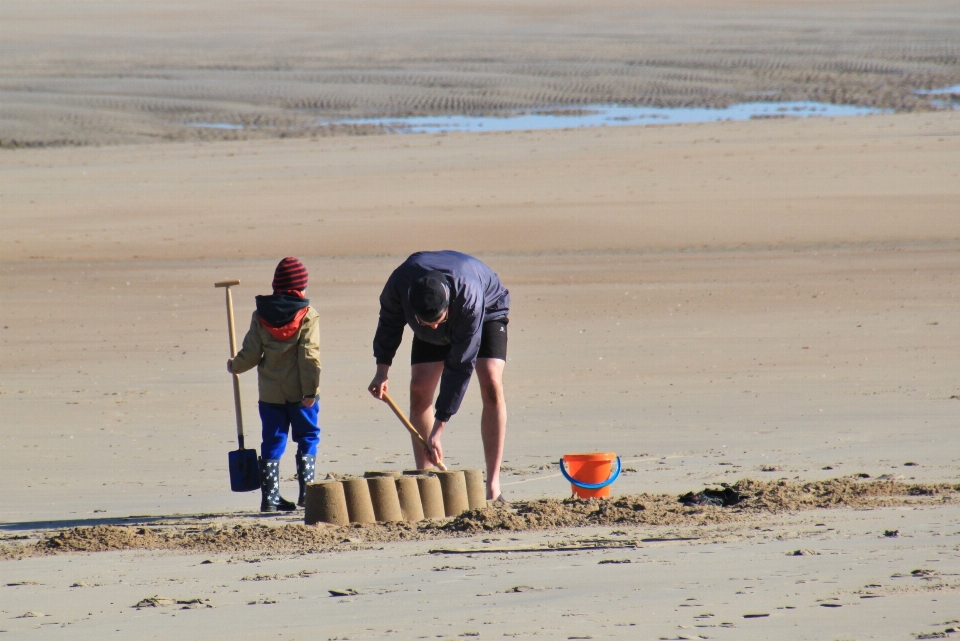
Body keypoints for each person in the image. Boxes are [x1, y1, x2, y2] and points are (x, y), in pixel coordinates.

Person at [368, 250, 509, 501]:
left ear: (447, 307)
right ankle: (428, 483)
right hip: (433, 304)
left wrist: (439, 427)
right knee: (419, 389)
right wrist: (382, 370)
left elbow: (460, 365)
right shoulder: (399, 283)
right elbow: (389, 322)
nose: (434, 327)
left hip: (487, 310)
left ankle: (493, 487)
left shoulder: (468, 298)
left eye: (437, 321)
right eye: (425, 322)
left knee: (491, 382)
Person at [228, 257, 321, 512]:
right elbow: (309, 356)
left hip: (270, 393)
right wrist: (311, 390)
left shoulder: (260, 315)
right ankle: (308, 493)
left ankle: (270, 498)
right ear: (300, 287)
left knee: (273, 439)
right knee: (308, 436)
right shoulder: (307, 316)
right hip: (302, 393)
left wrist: (235, 365)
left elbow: (251, 353)